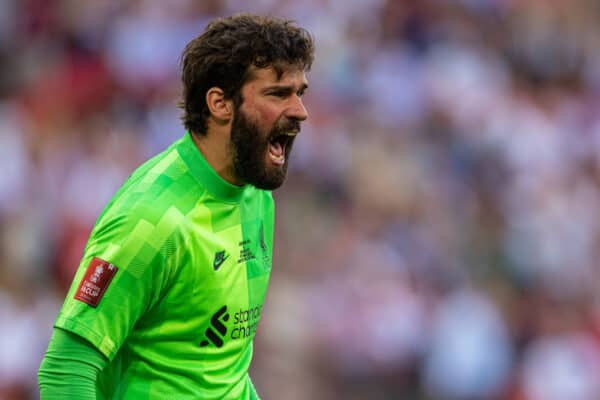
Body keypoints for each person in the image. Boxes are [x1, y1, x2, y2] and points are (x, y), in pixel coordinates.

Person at [38, 13, 314, 399]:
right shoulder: (151, 219)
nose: (300, 110)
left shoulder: (256, 195)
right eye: (278, 94)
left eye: (300, 92)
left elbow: (219, 366)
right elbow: (64, 370)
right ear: (220, 103)